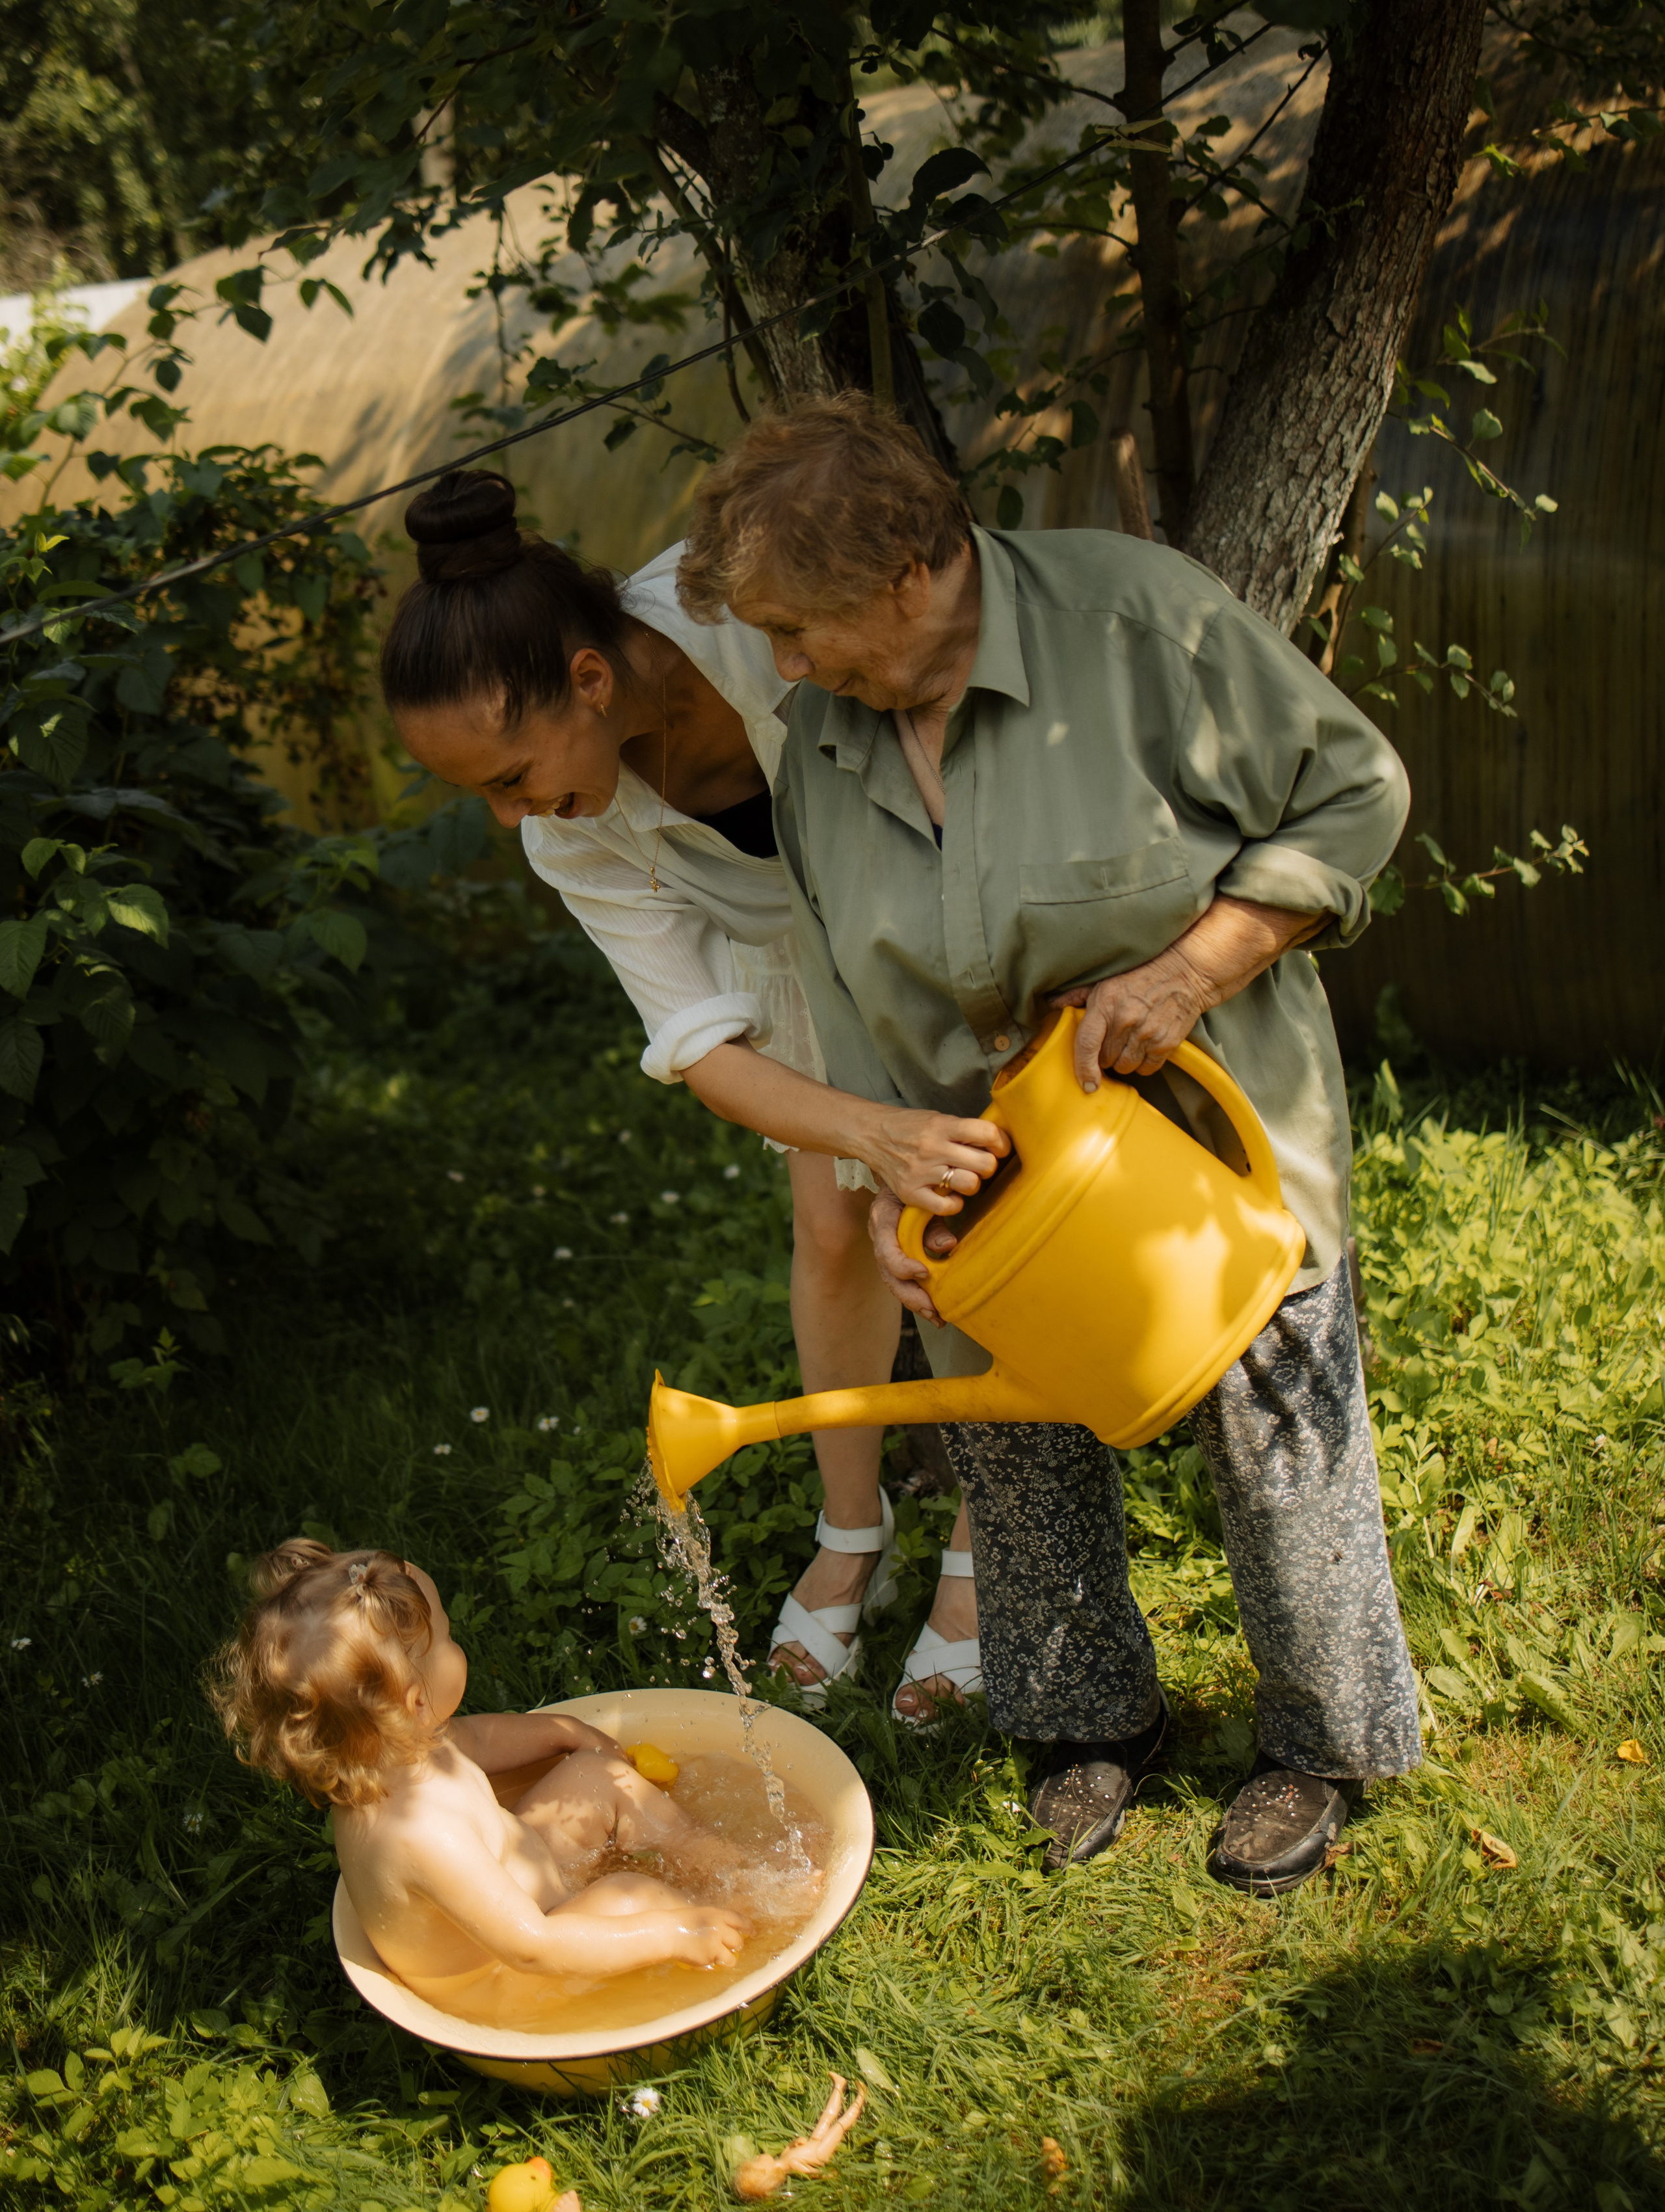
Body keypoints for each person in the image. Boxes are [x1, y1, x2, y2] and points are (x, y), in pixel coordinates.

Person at [675, 394, 1424, 1897]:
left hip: (1205, 1139)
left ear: (910, 575)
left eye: (798, 629)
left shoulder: (1136, 627)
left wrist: (1187, 970)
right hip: (990, 1172)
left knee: (1270, 1426)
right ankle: (1088, 1719)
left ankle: (1319, 1741)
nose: (785, 667)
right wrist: (884, 1180)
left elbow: (1358, 794)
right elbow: (842, 985)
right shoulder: (819, 738)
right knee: (1010, 1447)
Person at [380, 471, 996, 1719]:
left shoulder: (751, 618)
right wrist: (874, 1133)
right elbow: (703, 1049)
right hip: (795, 967)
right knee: (831, 1231)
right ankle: (853, 1531)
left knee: (974, 1227)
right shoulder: (570, 831)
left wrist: (914, 1130)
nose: (507, 819)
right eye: (481, 794)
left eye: (513, 775)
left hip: (943, 917)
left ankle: (990, 1549)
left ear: (591, 680)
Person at [207, 1541, 756, 2006]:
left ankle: (727, 1866)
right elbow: (533, 1946)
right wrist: (671, 1935)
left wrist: (565, 1733)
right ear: (416, 1701)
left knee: (593, 1775)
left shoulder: (404, 1745)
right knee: (627, 1896)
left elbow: (482, 1740)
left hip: (533, 1891)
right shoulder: (420, 1836)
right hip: (503, 1978)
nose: (456, 1643)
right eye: (448, 1638)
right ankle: (731, 1934)